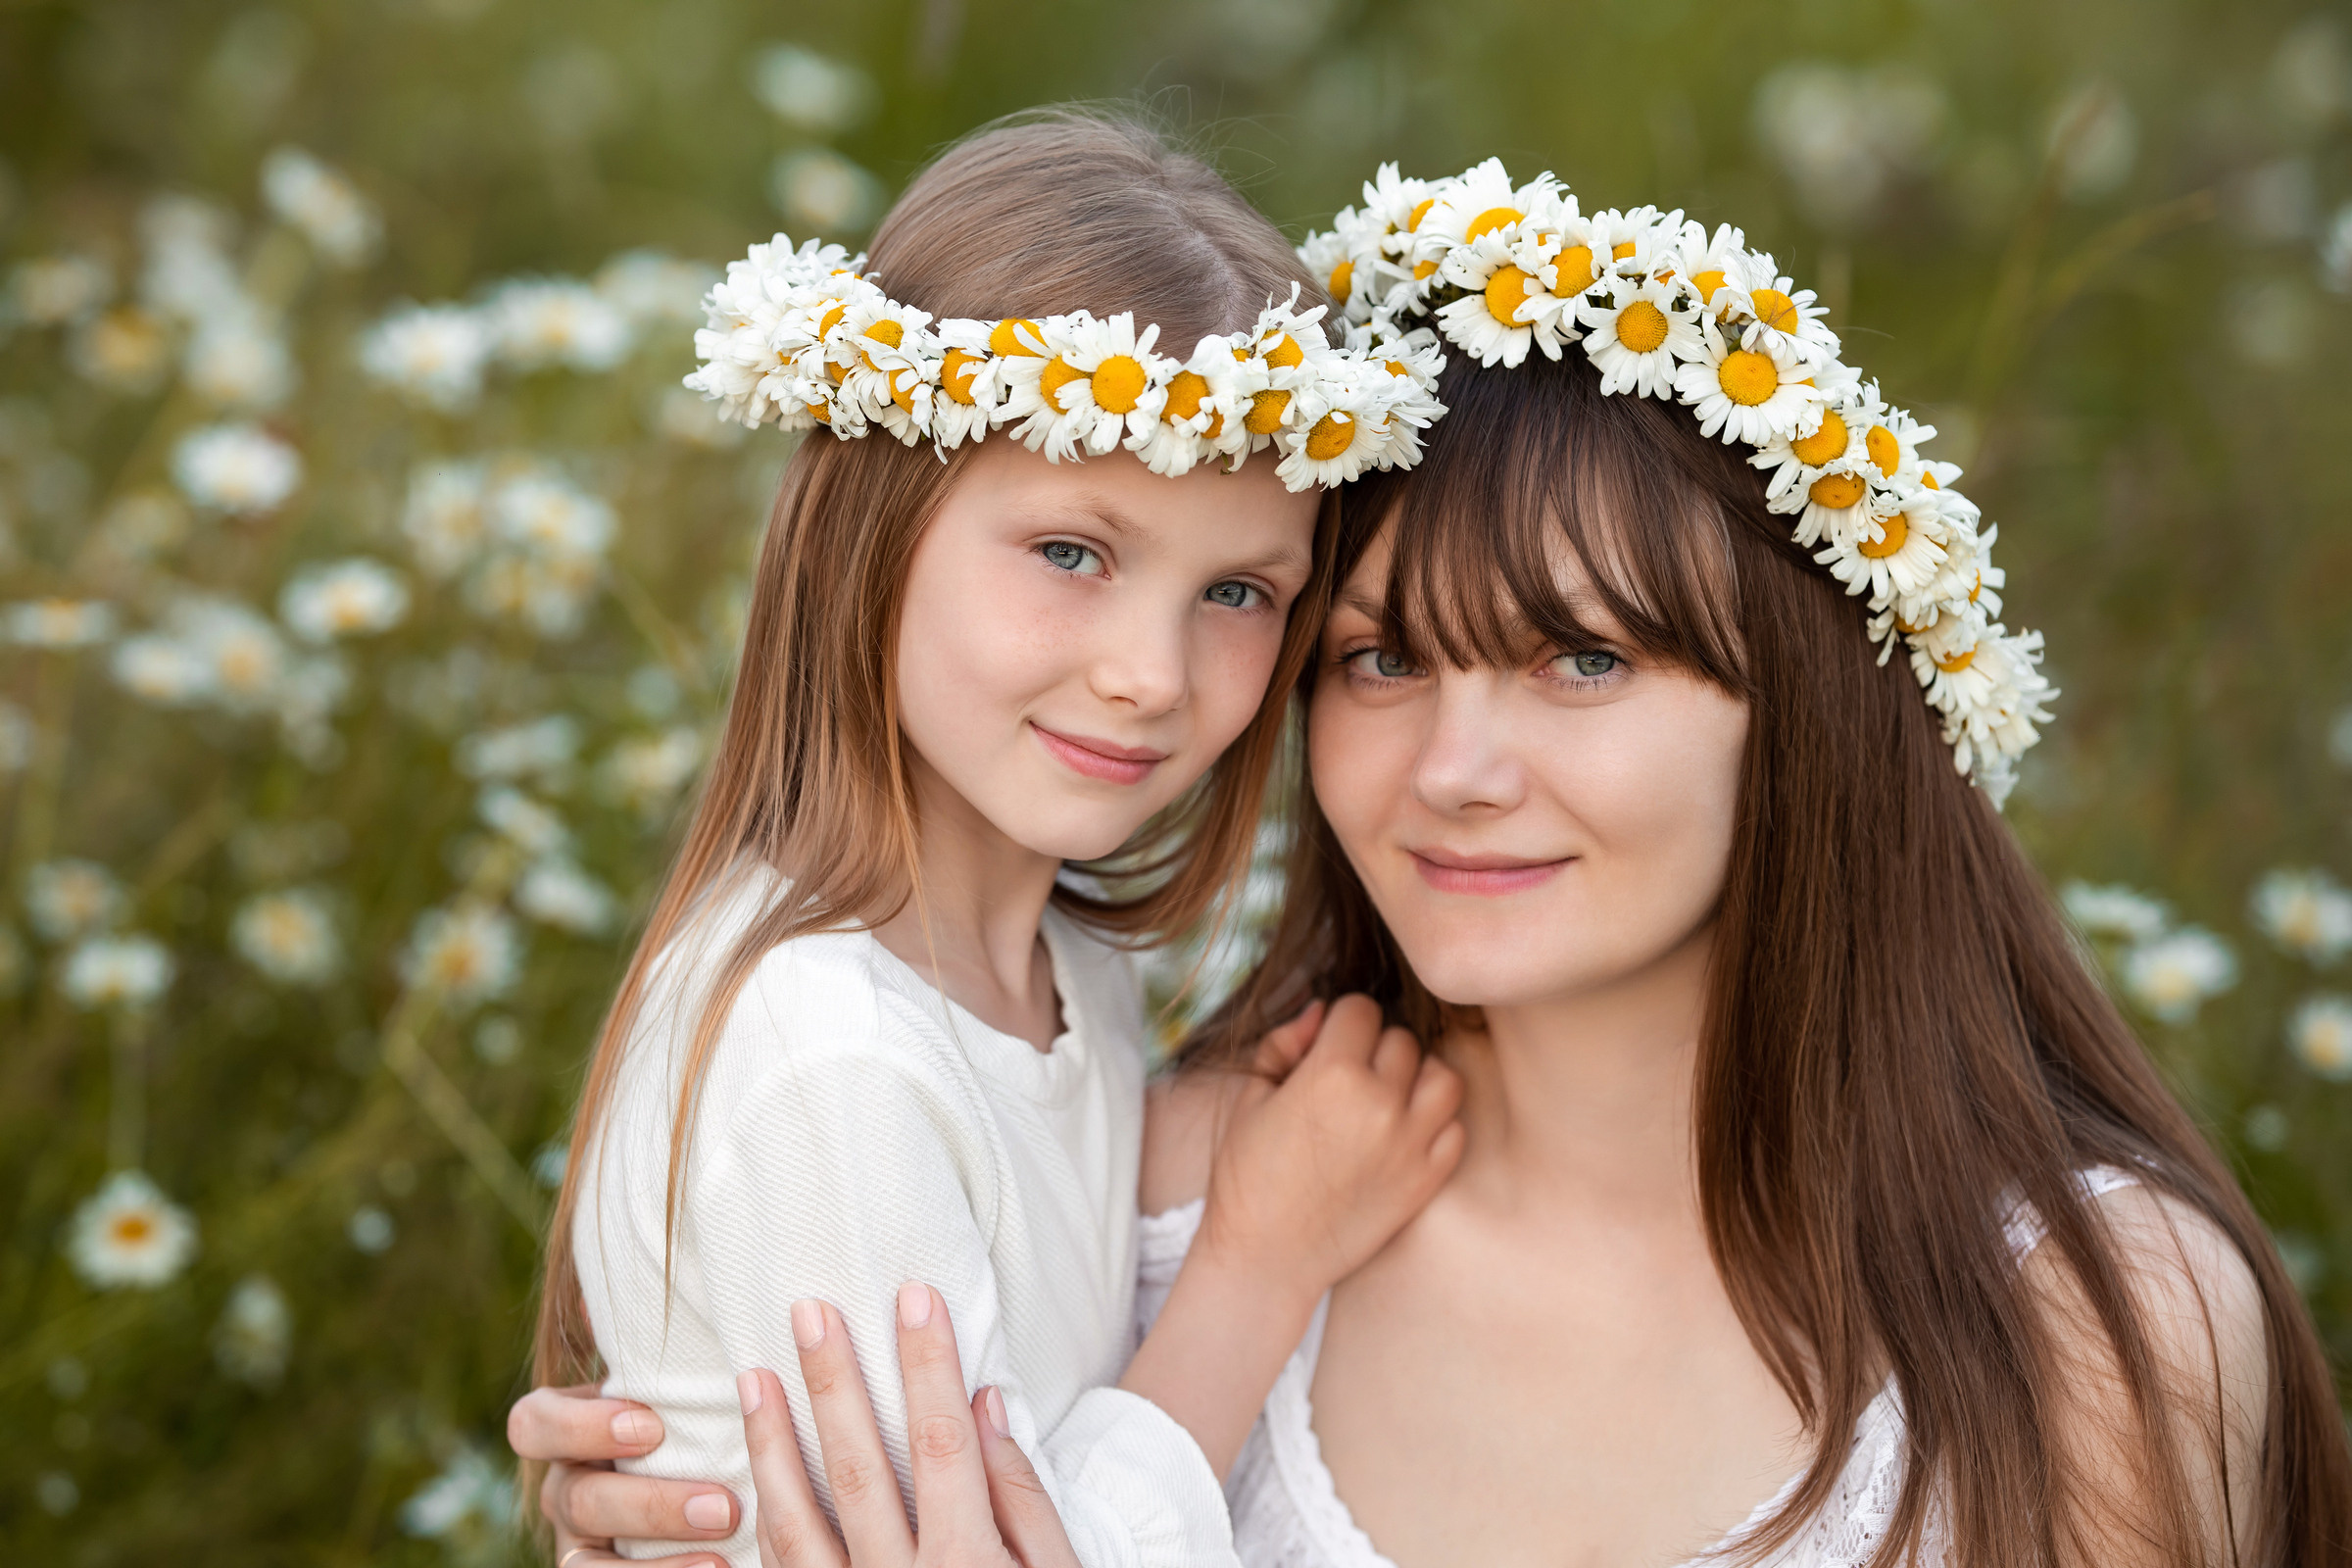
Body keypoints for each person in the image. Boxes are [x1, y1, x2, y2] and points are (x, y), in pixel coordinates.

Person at [518, 158, 2352, 1567]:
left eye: (1583, 659)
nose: (1459, 773)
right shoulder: (1194, 1184)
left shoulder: (2096, 1330)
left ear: (1808, 713)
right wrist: (692, 1485)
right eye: (1380, 658)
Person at [527, 113, 1465, 1568]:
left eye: (1238, 593)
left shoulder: (1053, 970)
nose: (1152, 674)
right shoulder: (830, 1050)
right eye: (1072, 553)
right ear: (873, 526)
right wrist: (1257, 1262)